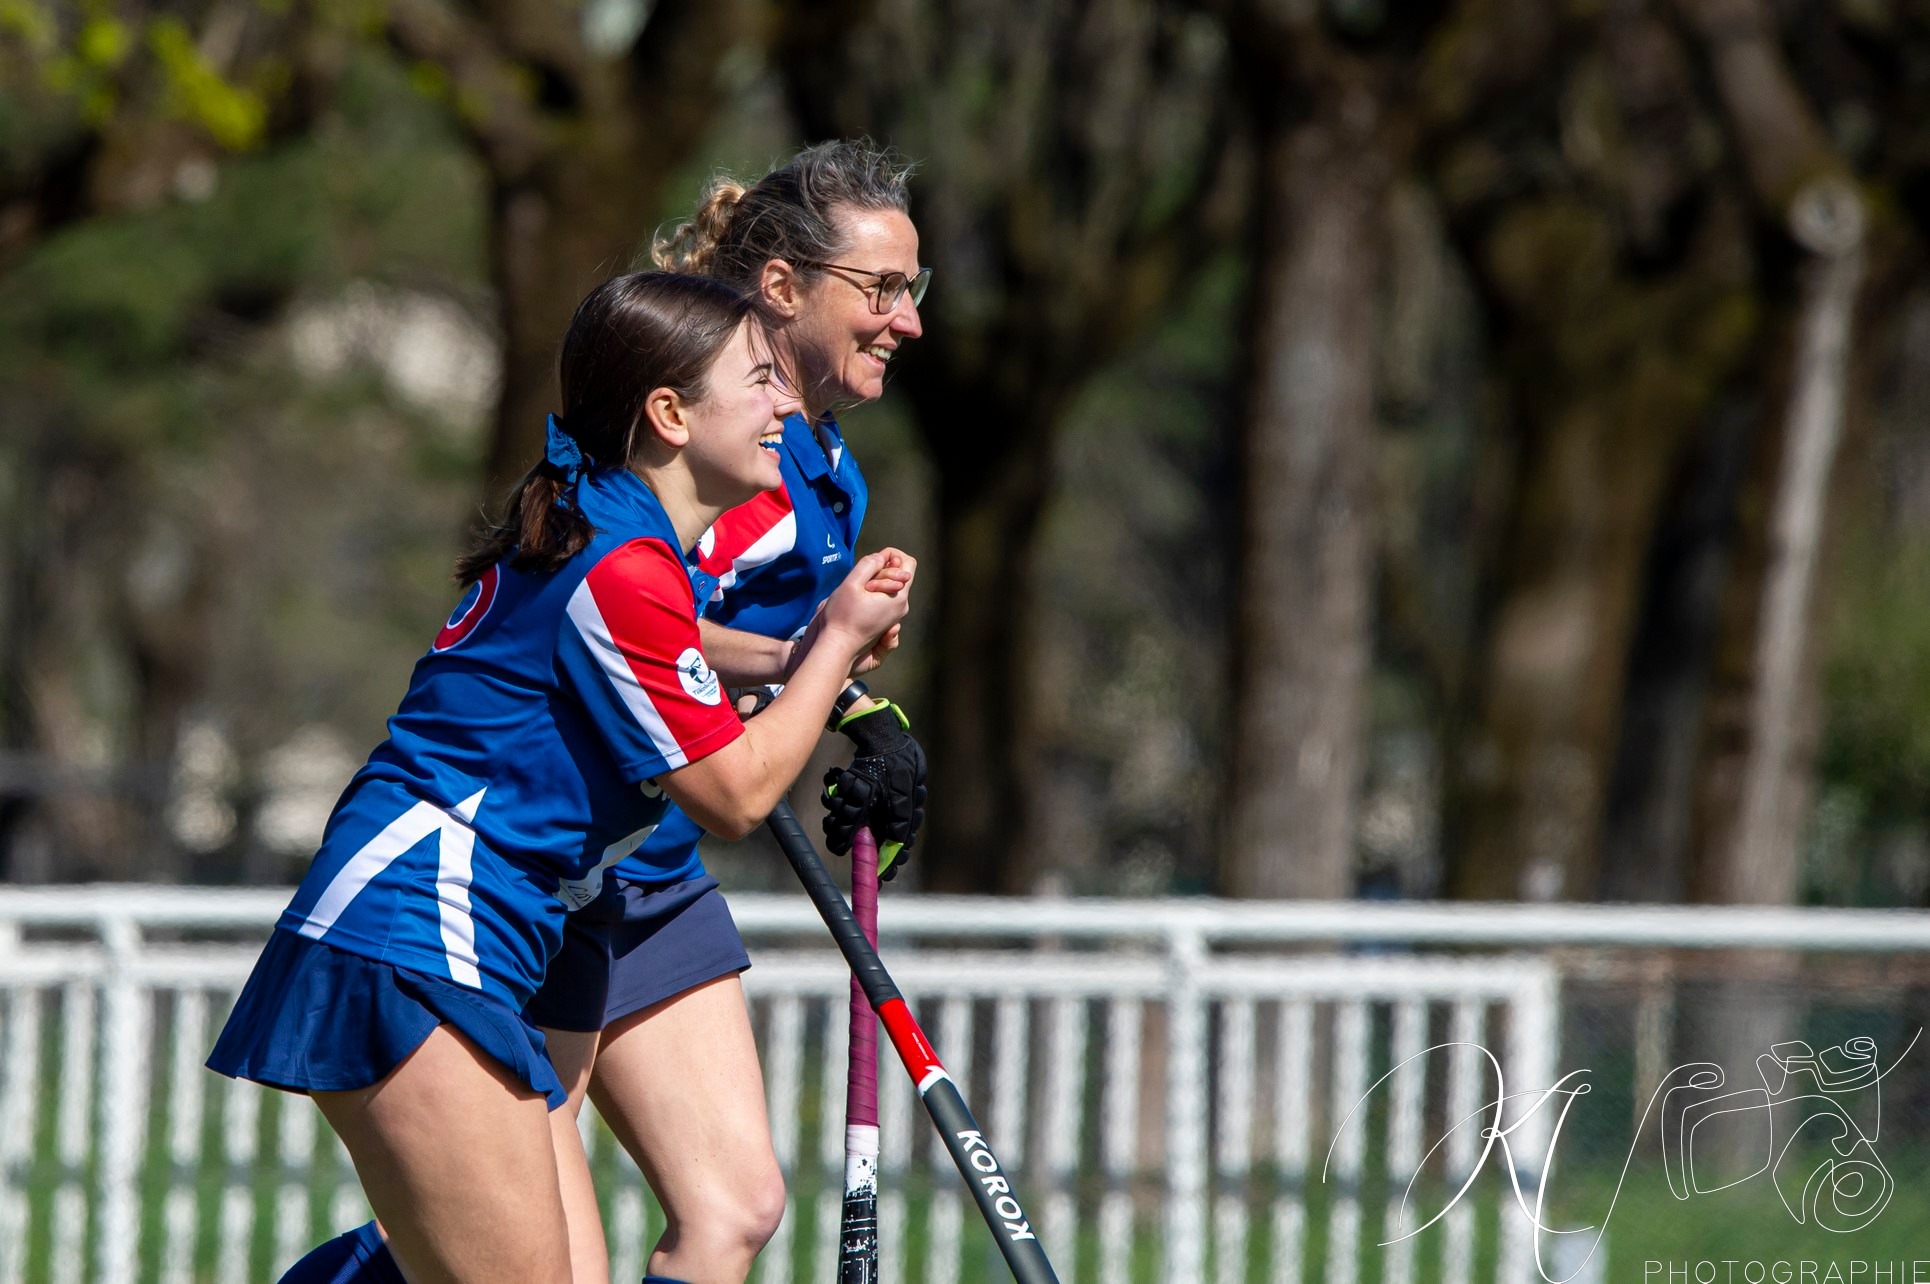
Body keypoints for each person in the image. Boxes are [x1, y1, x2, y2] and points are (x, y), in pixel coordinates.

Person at [209, 270, 914, 1283]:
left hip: (454, 930)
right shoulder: (622, 566)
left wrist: (798, 653)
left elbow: (666, 651)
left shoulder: (614, 532)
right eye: (758, 382)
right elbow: (735, 795)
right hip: (421, 928)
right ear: (669, 414)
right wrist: (837, 643)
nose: (784, 406)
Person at [520, 139, 935, 1284]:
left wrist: (858, 709)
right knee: (519, 1252)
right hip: (573, 865)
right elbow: (627, 634)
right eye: (881, 290)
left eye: (914, 288)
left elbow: (763, 650)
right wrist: (830, 671)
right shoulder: (734, 466)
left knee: (735, 1204)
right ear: (783, 289)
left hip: (654, 872)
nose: (905, 320)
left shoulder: (812, 457)